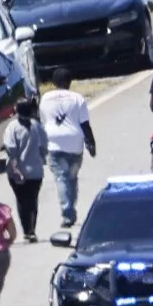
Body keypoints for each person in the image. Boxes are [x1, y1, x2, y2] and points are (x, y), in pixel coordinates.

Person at [36, 71, 95, 243]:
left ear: (53, 82)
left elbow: (44, 121)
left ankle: (67, 211)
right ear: (69, 81)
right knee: (71, 176)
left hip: (53, 142)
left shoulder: (46, 98)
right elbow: (85, 124)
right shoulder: (77, 98)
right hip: (74, 142)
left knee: (61, 177)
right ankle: (71, 209)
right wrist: (91, 143)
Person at [1, 95, 47, 243]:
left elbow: (11, 150)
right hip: (35, 171)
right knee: (33, 200)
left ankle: (27, 230)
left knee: (22, 201)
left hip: (17, 172)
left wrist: (15, 170)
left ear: (16, 110)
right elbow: (44, 148)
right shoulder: (37, 125)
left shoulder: (12, 127)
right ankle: (32, 229)